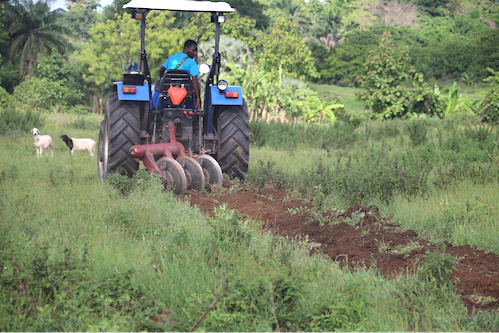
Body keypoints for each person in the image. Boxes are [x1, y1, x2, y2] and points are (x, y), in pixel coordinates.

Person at [159, 39, 201, 110]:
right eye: (193, 50)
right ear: (186, 49)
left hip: (169, 90)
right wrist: (198, 98)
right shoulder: (191, 62)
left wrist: (162, 80)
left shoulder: (172, 57)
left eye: (196, 51)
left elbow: (161, 70)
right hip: (185, 93)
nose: (195, 53)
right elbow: (194, 79)